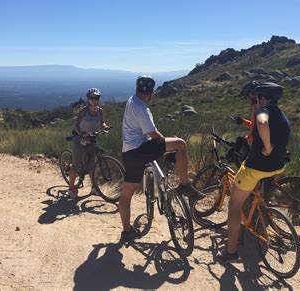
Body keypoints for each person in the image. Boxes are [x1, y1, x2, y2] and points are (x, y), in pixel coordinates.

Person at [119, 75, 204, 241]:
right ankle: (185, 185)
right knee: (180, 144)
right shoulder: (142, 108)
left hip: (128, 153)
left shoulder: (131, 100)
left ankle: (127, 231)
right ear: (151, 93)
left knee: (126, 194)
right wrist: (166, 143)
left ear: (137, 89)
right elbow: (154, 135)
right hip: (141, 150)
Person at [217, 82, 290, 263]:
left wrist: (266, 147)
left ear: (263, 97)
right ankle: (259, 214)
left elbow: (262, 122)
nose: (255, 102)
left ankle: (231, 252)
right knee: (255, 192)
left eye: (256, 98)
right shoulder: (282, 115)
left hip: (256, 168)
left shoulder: (262, 111)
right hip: (277, 166)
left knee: (234, 207)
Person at [68, 88, 109, 198]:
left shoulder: (100, 111)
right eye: (91, 98)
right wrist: (81, 134)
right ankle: (71, 187)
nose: (94, 100)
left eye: (96, 98)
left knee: (92, 166)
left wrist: (105, 127)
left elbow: (102, 122)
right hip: (79, 139)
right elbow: (76, 125)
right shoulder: (83, 111)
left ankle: (94, 188)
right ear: (88, 99)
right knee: (76, 165)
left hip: (92, 139)